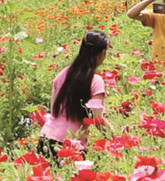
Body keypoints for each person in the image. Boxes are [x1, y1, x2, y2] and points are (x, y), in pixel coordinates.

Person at [39, 30, 112, 162]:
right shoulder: (95, 81)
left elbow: (54, 109)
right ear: (102, 53)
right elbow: (98, 120)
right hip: (70, 146)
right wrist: (116, 138)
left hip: (45, 139)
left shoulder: (64, 73)